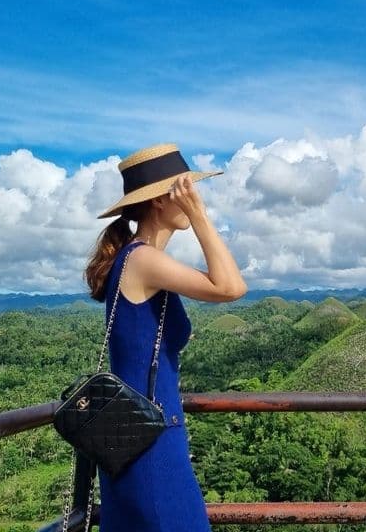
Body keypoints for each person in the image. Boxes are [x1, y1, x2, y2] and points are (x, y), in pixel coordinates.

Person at [84, 143, 247, 532]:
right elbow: (230, 287)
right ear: (161, 200)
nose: (194, 197)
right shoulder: (143, 260)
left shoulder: (137, 258)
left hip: (135, 434)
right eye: (186, 190)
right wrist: (201, 217)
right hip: (149, 440)